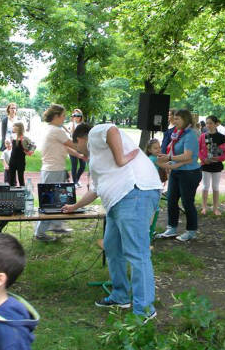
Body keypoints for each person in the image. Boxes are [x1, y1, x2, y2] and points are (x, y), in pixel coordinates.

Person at [63, 123, 160, 321]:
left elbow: (111, 130)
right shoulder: (98, 158)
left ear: (80, 139)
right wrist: (74, 206)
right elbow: (95, 190)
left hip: (134, 192)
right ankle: (120, 296)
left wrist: (121, 158)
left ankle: (144, 310)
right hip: (118, 201)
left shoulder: (94, 133)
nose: (78, 150)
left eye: (76, 145)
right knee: (112, 247)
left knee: (137, 253)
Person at [34, 104, 84, 241]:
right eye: (63, 115)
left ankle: (57, 225)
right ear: (56, 116)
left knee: (59, 198)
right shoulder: (57, 131)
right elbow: (73, 144)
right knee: (49, 202)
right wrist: (89, 148)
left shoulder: (52, 129)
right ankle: (40, 233)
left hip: (55, 169)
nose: (65, 118)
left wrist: (80, 156)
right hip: (52, 170)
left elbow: (65, 148)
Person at [156, 109, 202, 242]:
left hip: (189, 173)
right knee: (171, 200)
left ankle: (191, 231)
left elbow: (188, 156)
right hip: (177, 171)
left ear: (185, 120)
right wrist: (168, 160)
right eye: (174, 118)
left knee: (187, 202)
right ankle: (171, 228)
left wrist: (169, 158)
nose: (174, 121)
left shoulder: (190, 134)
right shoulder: (177, 133)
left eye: (177, 119)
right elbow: (174, 152)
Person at [198, 115, 225, 216]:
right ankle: (204, 208)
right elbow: (198, 150)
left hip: (217, 166)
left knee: (215, 187)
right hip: (205, 165)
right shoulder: (203, 136)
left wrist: (218, 158)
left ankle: (216, 208)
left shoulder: (222, 137)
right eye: (207, 123)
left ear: (216, 124)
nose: (208, 125)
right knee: (205, 186)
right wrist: (203, 159)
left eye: (210, 123)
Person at [8, 122, 35, 187]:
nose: (12, 128)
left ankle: (22, 191)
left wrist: (29, 152)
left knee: (21, 178)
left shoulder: (24, 138)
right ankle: (11, 191)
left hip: (20, 161)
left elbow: (33, 146)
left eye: (14, 126)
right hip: (12, 160)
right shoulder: (13, 137)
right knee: (11, 178)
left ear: (18, 128)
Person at [68, 109, 86, 187]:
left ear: (81, 116)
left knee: (83, 166)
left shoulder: (83, 125)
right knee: (74, 165)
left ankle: (76, 180)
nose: (77, 117)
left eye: (78, 115)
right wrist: (72, 123)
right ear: (72, 116)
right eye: (75, 115)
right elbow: (73, 135)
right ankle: (75, 182)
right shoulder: (70, 124)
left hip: (81, 148)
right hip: (72, 147)